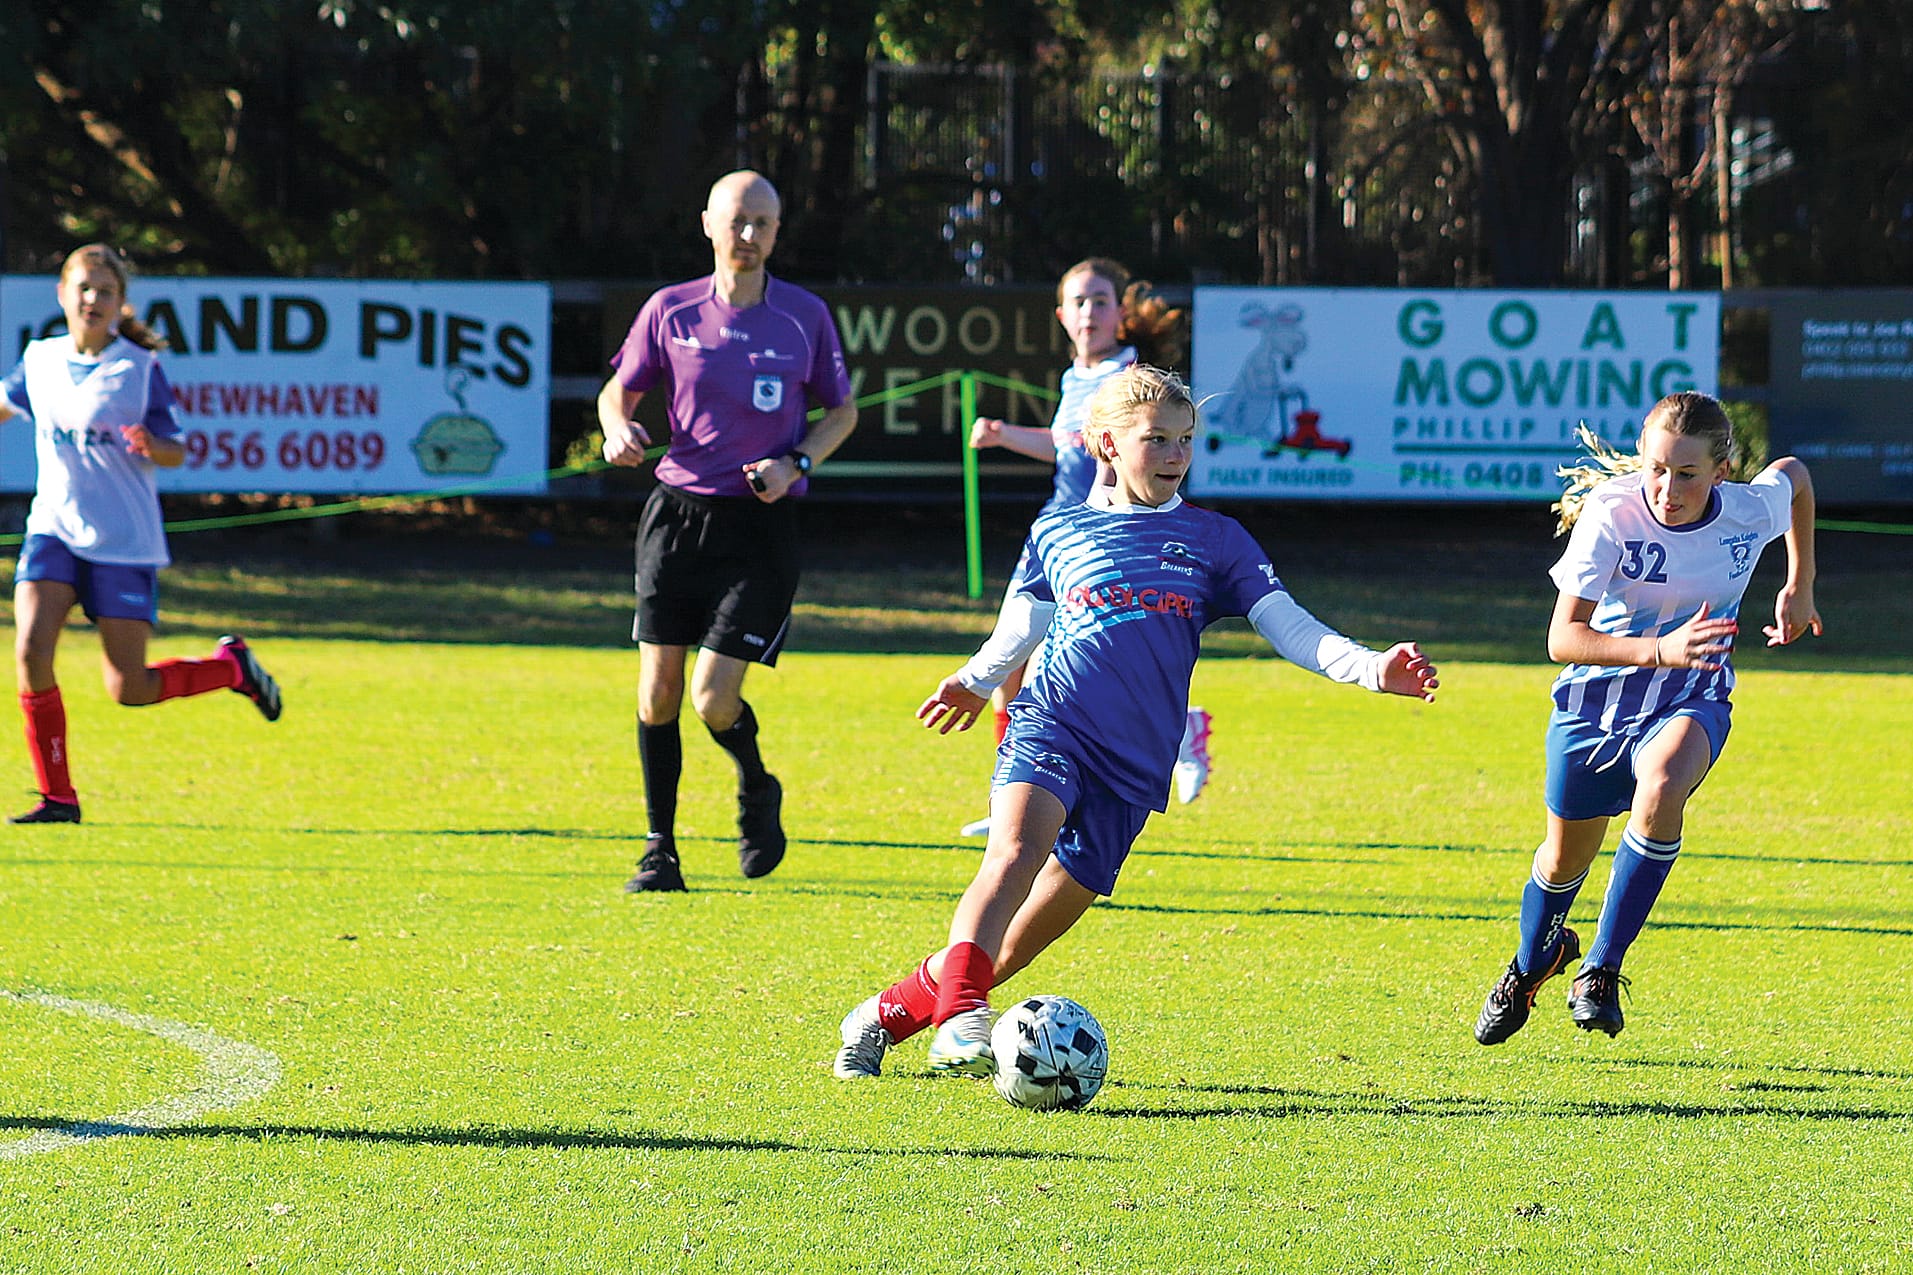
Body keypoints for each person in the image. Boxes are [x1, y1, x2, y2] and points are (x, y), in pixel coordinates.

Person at [832, 365, 1439, 1079]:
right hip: (1053, 725)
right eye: (1156, 439)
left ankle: (878, 1017)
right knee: (1014, 854)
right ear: (1107, 444)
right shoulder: (1059, 530)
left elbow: (1291, 628)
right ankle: (962, 1015)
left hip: (1135, 764)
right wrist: (975, 680)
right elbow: (1022, 624)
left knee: (1018, 943)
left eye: (1185, 439)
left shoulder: (1215, 539)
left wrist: (1372, 668)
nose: (1176, 455)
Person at [1473, 392, 1820, 1044]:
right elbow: (1562, 639)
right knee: (1561, 862)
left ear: (1720, 471)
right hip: (1594, 706)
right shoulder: (1611, 513)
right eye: (1656, 468)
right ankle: (1532, 962)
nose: (1666, 488)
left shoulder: (1747, 511)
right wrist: (1659, 649)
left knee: (1662, 785)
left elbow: (1795, 477)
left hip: (1692, 694)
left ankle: (1600, 968)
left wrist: (1799, 583)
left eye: (1686, 474)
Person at [598, 170, 857, 893]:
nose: (747, 235)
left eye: (761, 223)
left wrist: (796, 461)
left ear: (777, 232)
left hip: (760, 525)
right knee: (658, 691)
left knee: (712, 697)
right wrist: (617, 428)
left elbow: (842, 411)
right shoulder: (670, 309)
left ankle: (756, 784)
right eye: (736, 220)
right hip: (676, 519)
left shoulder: (802, 315)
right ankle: (659, 849)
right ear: (708, 223)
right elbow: (618, 390)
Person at [0, 244, 282, 825]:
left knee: (129, 687)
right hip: (53, 528)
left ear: (120, 302)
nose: (92, 299)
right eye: (83, 288)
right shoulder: (41, 359)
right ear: (62, 294)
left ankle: (231, 668)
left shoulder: (138, 368)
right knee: (29, 651)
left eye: (105, 291)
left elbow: (177, 449)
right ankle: (58, 797)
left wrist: (154, 447)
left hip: (123, 541)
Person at [958, 258, 1211, 838]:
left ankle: (1182, 729)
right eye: (1078, 302)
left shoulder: (1131, 378)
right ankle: (1013, 799)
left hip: (1104, 541)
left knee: (1089, 670)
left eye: (1100, 301)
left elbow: (1136, 456)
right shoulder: (1077, 377)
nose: (1089, 312)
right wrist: (1003, 435)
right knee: (1012, 667)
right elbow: (1068, 447)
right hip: (1054, 535)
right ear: (1061, 316)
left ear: (1120, 313)